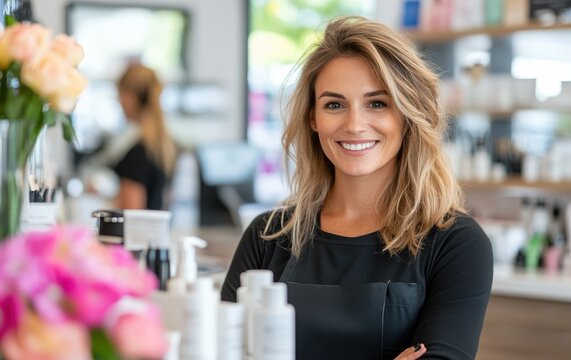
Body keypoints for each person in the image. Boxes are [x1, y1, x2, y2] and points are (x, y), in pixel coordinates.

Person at [221, 16, 493, 360]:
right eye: (334, 105)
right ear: (313, 118)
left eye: (377, 103)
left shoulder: (455, 244)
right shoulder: (267, 237)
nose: (354, 124)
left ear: (408, 114)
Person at [111, 63, 176, 210]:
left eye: (120, 94)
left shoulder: (138, 154)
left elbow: (132, 216)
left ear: (131, 97)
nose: (118, 101)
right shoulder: (162, 147)